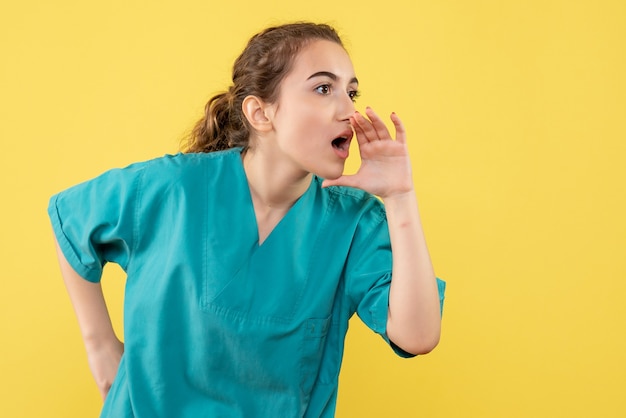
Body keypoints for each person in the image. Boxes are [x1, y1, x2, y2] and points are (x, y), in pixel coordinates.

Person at [48, 22, 446, 418]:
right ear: (260, 113)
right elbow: (71, 219)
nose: (348, 110)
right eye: (324, 88)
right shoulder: (173, 188)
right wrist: (101, 348)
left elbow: (418, 335)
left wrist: (400, 197)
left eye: (351, 92)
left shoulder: (354, 222)